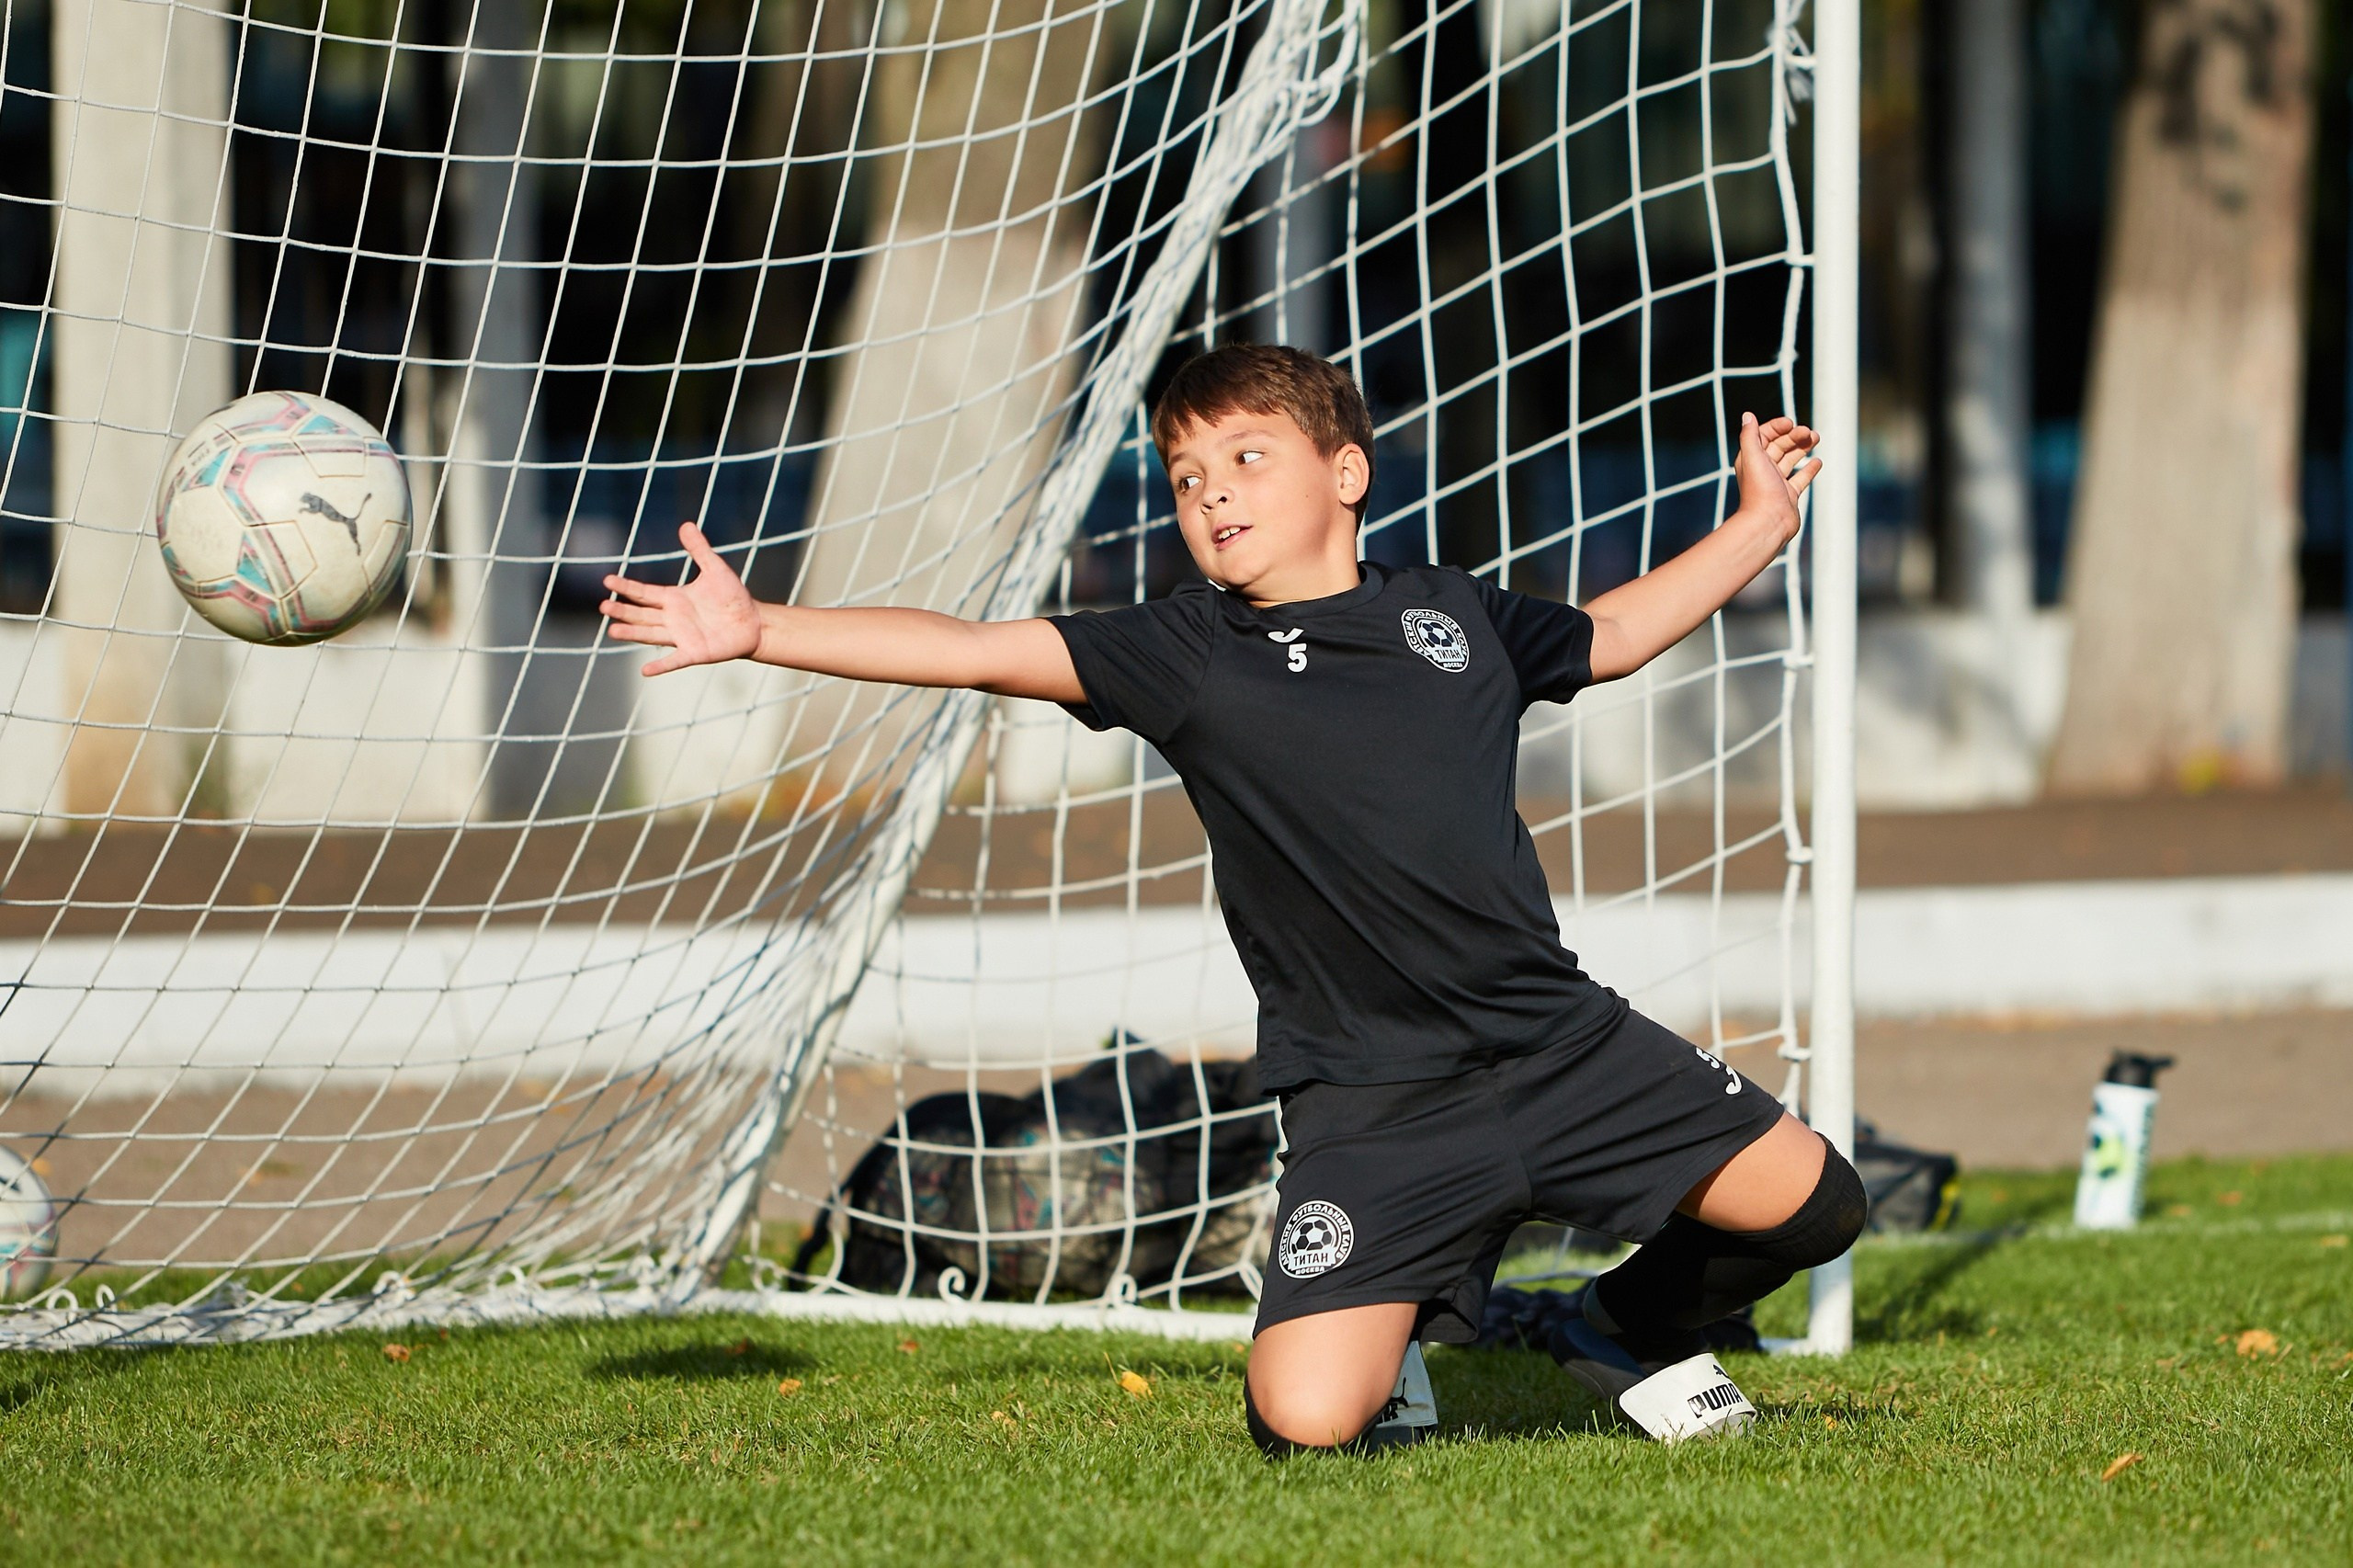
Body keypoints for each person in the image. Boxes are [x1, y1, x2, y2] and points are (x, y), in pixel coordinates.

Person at [599, 344, 1867, 1452]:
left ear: (1346, 473)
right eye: (1188, 477)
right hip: (1375, 1100)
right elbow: (977, 648)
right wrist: (764, 628)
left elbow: (1612, 632)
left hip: (1560, 1045)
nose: (1210, 495)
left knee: (1818, 1202)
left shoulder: (1453, 611)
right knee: (1308, 1416)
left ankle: (1611, 1325)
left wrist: (1759, 524)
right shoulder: (1187, 651)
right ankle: (1416, 1300)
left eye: (1247, 459)